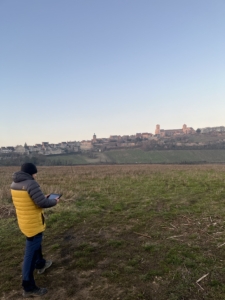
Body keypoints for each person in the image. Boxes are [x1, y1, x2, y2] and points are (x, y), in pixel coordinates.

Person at [10, 163, 60, 298]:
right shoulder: (31, 184)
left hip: (25, 222)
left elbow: (28, 201)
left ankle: (41, 264)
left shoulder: (14, 184)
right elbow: (42, 203)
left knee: (36, 244)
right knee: (30, 254)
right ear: (31, 173)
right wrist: (54, 201)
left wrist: (43, 196)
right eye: (35, 173)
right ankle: (28, 286)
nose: (36, 175)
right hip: (33, 223)